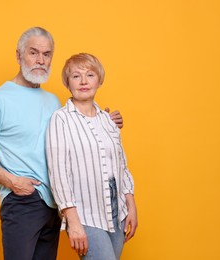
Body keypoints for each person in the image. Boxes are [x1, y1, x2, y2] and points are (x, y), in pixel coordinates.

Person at [0, 27, 123, 260]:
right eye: (33, 53)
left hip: (54, 203)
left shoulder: (53, 101)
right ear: (19, 56)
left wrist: (102, 120)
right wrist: (14, 182)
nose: (40, 60)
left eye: (46, 54)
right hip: (22, 201)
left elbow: (74, 132)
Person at [46, 53, 138, 259]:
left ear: (99, 80)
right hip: (86, 214)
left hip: (117, 210)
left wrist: (131, 206)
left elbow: (121, 165)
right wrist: (73, 222)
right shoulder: (60, 119)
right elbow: (58, 173)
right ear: (67, 83)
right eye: (76, 76)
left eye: (90, 74)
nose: (84, 81)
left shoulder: (108, 120)